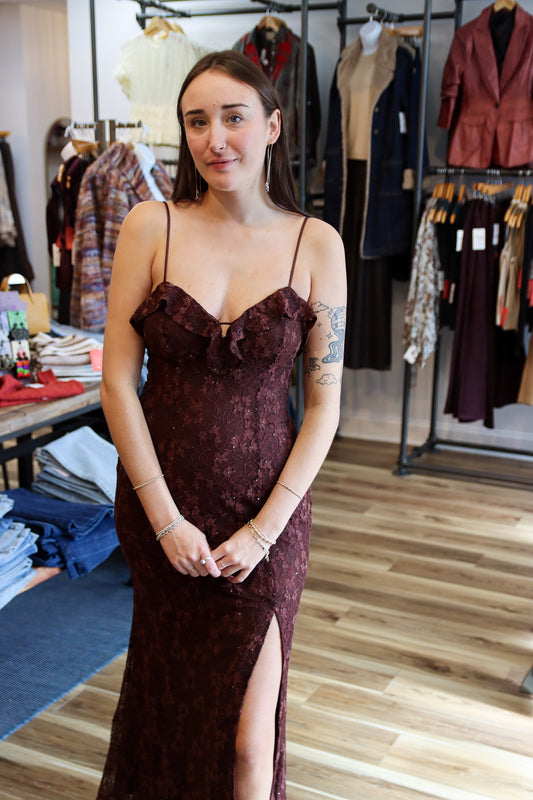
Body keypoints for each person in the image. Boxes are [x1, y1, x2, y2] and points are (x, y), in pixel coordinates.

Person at [97, 49, 346, 800]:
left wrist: (265, 531)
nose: (215, 139)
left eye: (233, 118)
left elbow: (324, 405)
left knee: (247, 742)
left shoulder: (316, 243)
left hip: (266, 518)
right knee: (169, 707)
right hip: (161, 511)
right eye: (196, 121)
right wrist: (164, 519)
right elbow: (117, 383)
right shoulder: (151, 227)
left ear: (272, 125)